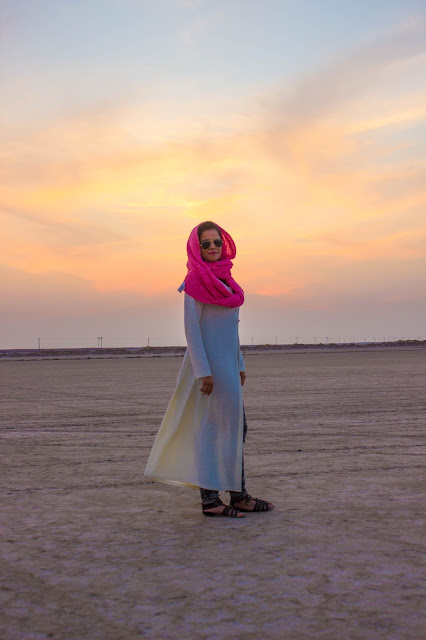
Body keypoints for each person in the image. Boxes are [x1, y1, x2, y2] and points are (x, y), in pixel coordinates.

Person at [144, 221, 274, 518]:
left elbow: (232, 330)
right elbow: (193, 332)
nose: (213, 248)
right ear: (196, 248)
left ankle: (238, 494)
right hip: (207, 371)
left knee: (235, 429)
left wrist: (240, 363)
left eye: (217, 242)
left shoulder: (228, 282)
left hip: (228, 367)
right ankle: (211, 501)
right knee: (210, 431)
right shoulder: (194, 282)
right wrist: (203, 371)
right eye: (206, 244)